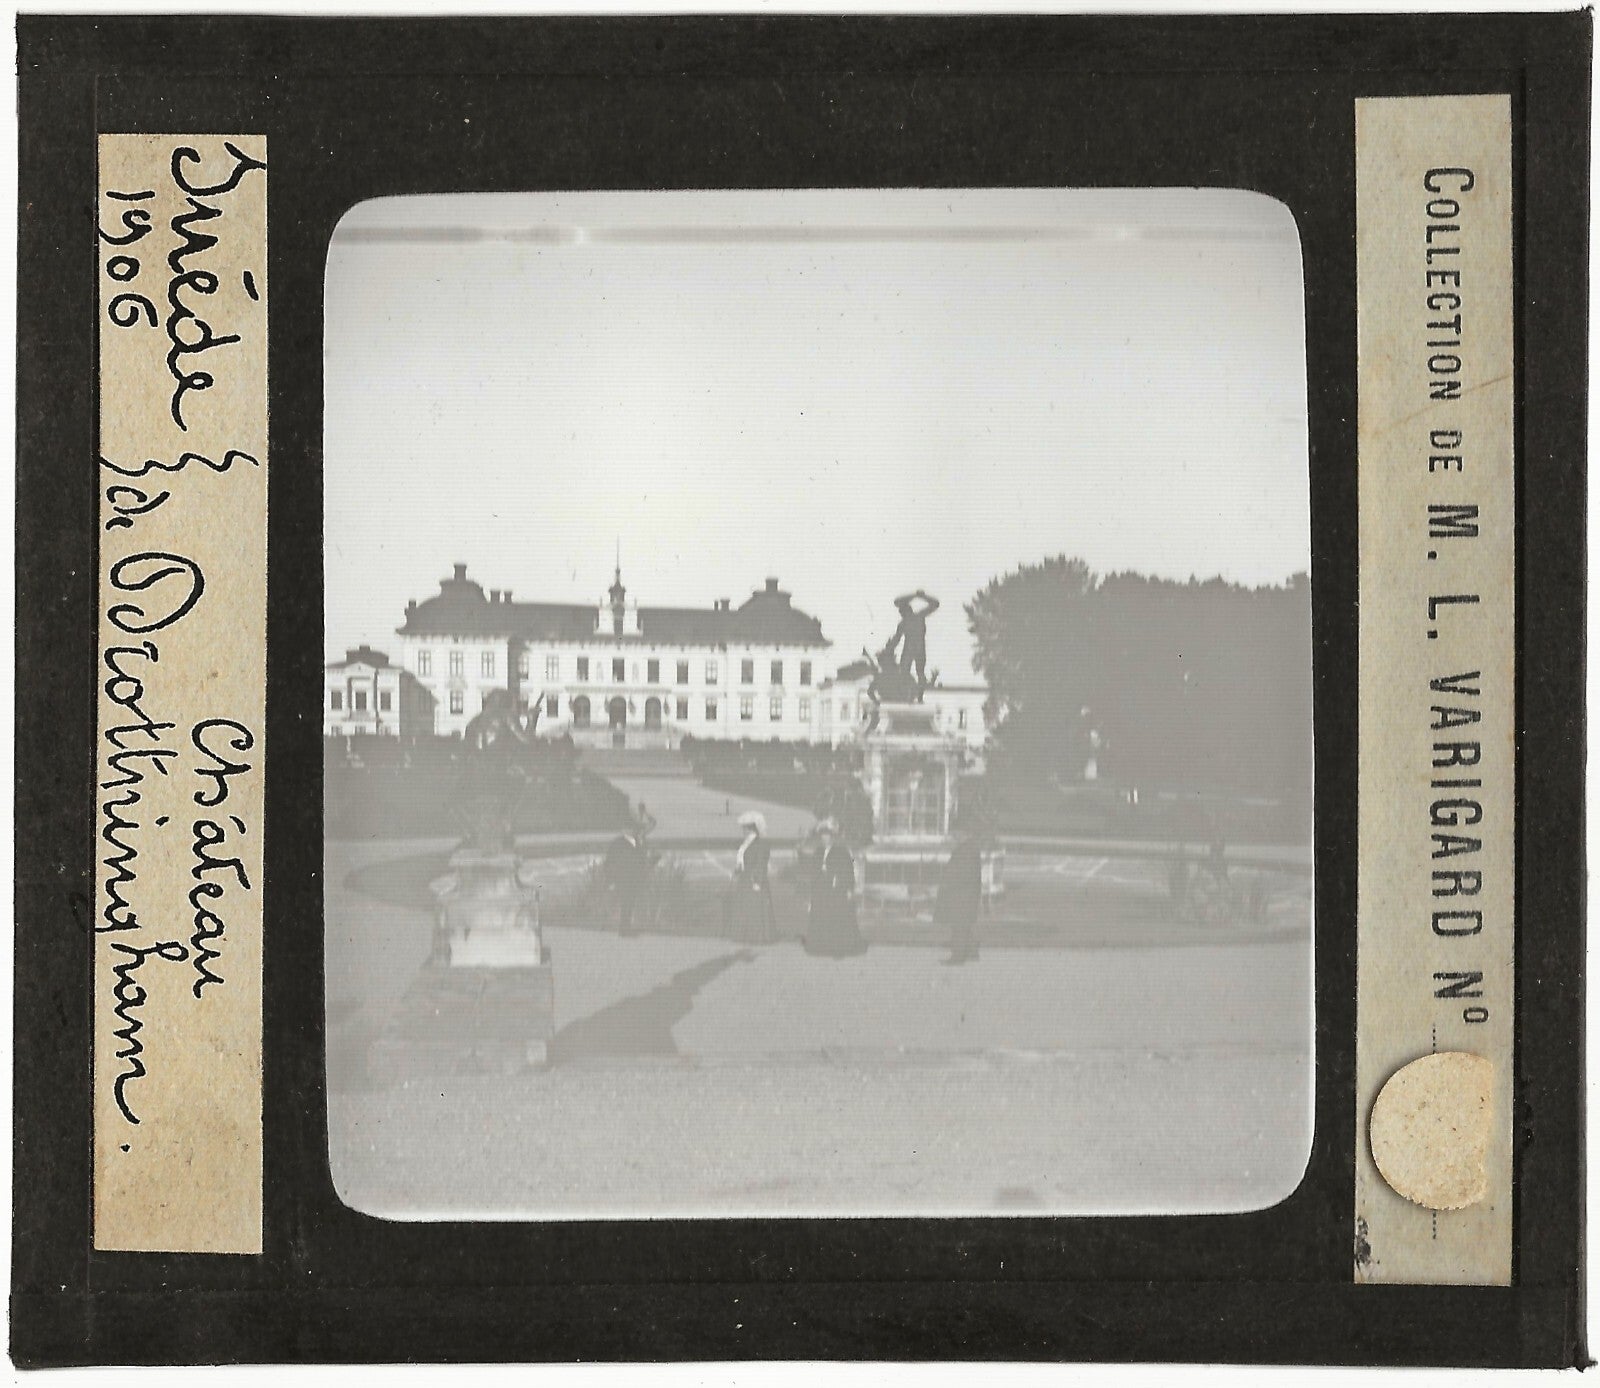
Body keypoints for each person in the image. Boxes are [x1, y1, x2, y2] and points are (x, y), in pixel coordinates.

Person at [803, 818, 867, 957]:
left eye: (827, 835)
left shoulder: (841, 851)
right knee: (821, 917)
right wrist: (812, 890)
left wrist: (849, 888)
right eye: (823, 835)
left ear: (832, 837)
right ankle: (821, 947)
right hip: (821, 889)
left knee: (837, 917)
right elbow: (813, 871)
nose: (825, 838)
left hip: (836, 889)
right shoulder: (818, 851)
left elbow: (848, 870)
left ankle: (838, 948)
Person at [723, 811, 778, 943]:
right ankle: (745, 936)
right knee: (744, 908)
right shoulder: (746, 843)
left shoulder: (760, 844)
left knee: (755, 908)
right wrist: (737, 871)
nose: (743, 830)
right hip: (744, 879)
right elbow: (742, 861)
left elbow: (760, 863)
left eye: (745, 828)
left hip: (753, 880)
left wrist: (757, 881)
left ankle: (758, 937)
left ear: (751, 829)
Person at [935, 829, 984, 964]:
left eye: (956, 835)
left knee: (959, 926)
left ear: (964, 834)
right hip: (966, 894)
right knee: (963, 925)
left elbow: (963, 874)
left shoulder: (966, 850)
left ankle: (957, 957)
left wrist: (948, 882)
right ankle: (971, 952)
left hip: (962, 894)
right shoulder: (969, 848)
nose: (954, 838)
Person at [891, 590, 940, 697]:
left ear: (907, 611)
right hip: (914, 649)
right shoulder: (908, 621)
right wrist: (915, 595)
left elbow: (935, 604)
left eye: (902, 612)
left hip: (915, 649)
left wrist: (920, 596)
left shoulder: (917, 617)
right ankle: (909, 693)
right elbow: (896, 639)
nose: (901, 614)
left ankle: (917, 694)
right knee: (910, 672)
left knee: (917, 672)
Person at [604, 827, 648, 935]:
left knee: (630, 903)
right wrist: (610, 880)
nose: (633, 831)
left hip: (634, 878)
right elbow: (609, 862)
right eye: (630, 829)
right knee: (626, 903)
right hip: (622, 878)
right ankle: (624, 929)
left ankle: (626, 927)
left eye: (633, 829)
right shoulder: (617, 843)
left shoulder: (638, 841)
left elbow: (641, 860)